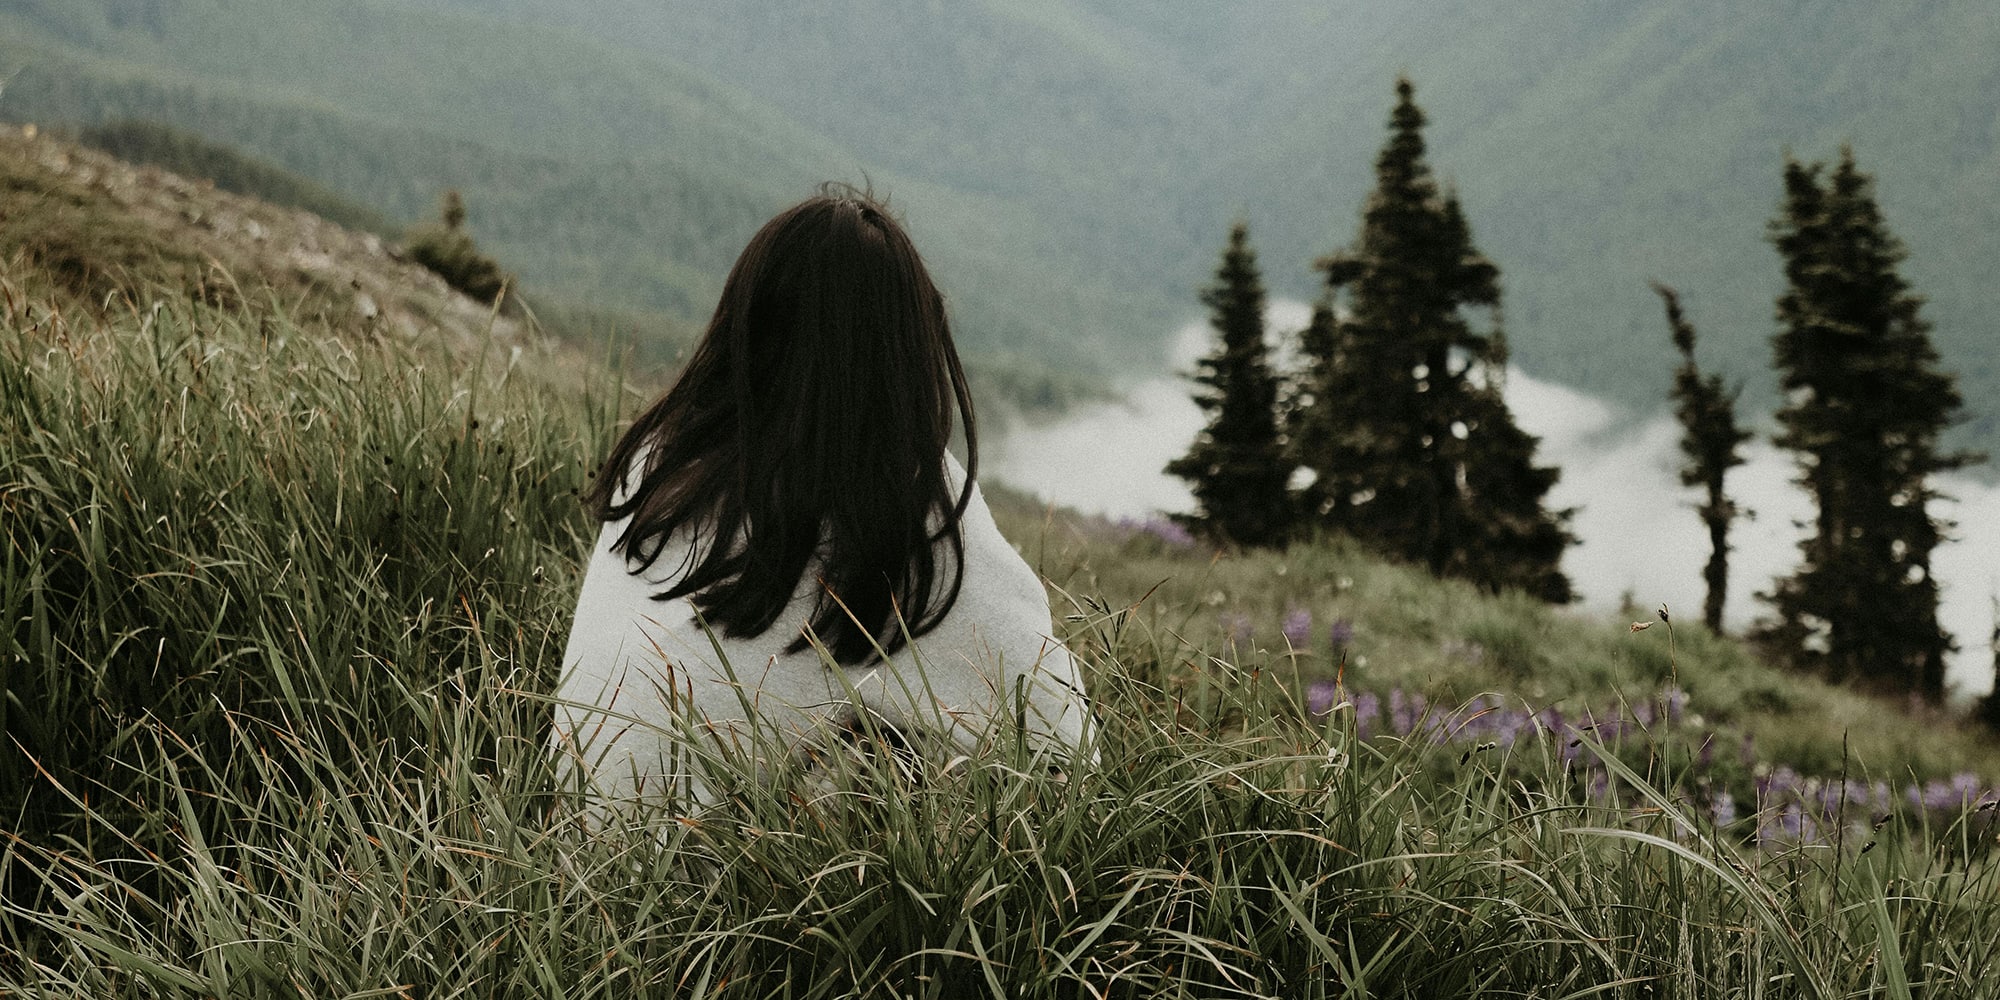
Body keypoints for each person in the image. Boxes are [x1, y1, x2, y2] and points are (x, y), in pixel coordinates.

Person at [553, 186, 1094, 805]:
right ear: (908, 352)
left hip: (571, 859)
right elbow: (1067, 754)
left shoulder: (660, 463)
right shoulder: (910, 516)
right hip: (724, 892)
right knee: (910, 755)